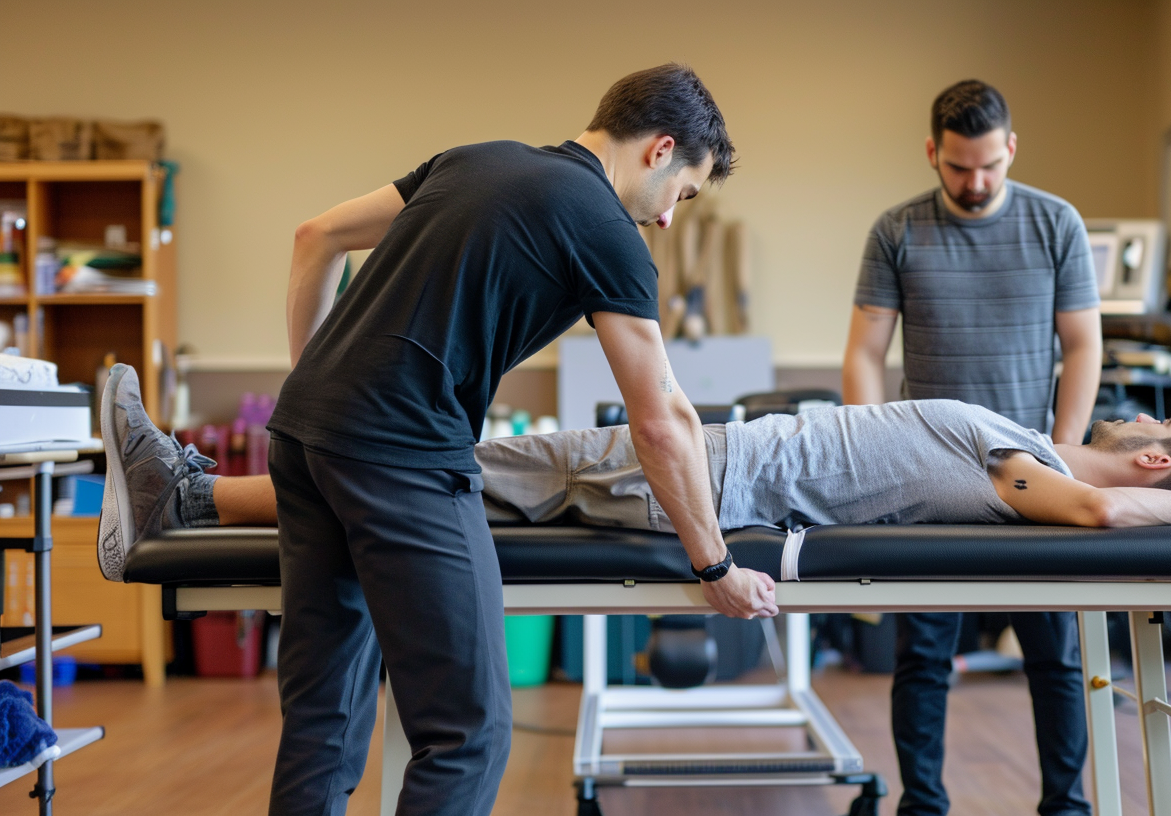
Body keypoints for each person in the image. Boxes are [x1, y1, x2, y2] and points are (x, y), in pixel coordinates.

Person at [98, 65, 777, 816]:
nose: (669, 220)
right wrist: (715, 564)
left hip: (302, 436)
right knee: (468, 734)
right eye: (683, 194)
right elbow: (660, 420)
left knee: (324, 718)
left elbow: (314, 236)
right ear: (660, 149)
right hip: (403, 457)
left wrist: (327, 399)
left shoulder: (472, 158)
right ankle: (180, 491)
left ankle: (183, 491)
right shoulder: (608, 231)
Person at [98, 369, 1171, 540]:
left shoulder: (1037, 463)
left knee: (436, 467)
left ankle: (191, 494)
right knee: (448, 472)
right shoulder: (1025, 445)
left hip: (696, 476)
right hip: (704, 459)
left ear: (1151, 465)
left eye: (1159, 432)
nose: (1141, 419)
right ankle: (195, 493)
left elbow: (1088, 519)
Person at [841, 80, 1104, 816]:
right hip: (930, 475)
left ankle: (1067, 807)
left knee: (1056, 657)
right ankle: (923, 805)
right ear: (933, 153)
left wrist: (1063, 451)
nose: (977, 182)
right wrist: (871, 454)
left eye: (990, 164)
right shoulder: (897, 230)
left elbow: (1082, 345)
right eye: (959, 167)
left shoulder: (1057, 223)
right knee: (923, 656)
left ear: (1011, 147)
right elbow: (865, 353)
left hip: (1035, 469)